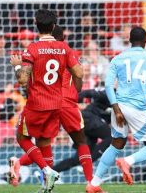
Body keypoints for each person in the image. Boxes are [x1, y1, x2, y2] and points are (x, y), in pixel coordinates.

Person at [8, 25, 98, 192]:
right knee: (80, 142)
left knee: (43, 143)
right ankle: (90, 182)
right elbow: (78, 79)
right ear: (62, 39)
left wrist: (19, 67)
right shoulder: (67, 53)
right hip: (67, 104)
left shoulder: (39, 54)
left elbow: (26, 83)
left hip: (48, 102)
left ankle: (30, 169)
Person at [86, 27, 146, 192]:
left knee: (116, 144)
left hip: (118, 106)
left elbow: (107, 85)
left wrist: (116, 108)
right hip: (137, 107)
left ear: (129, 41)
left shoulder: (117, 58)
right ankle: (128, 161)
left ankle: (94, 184)